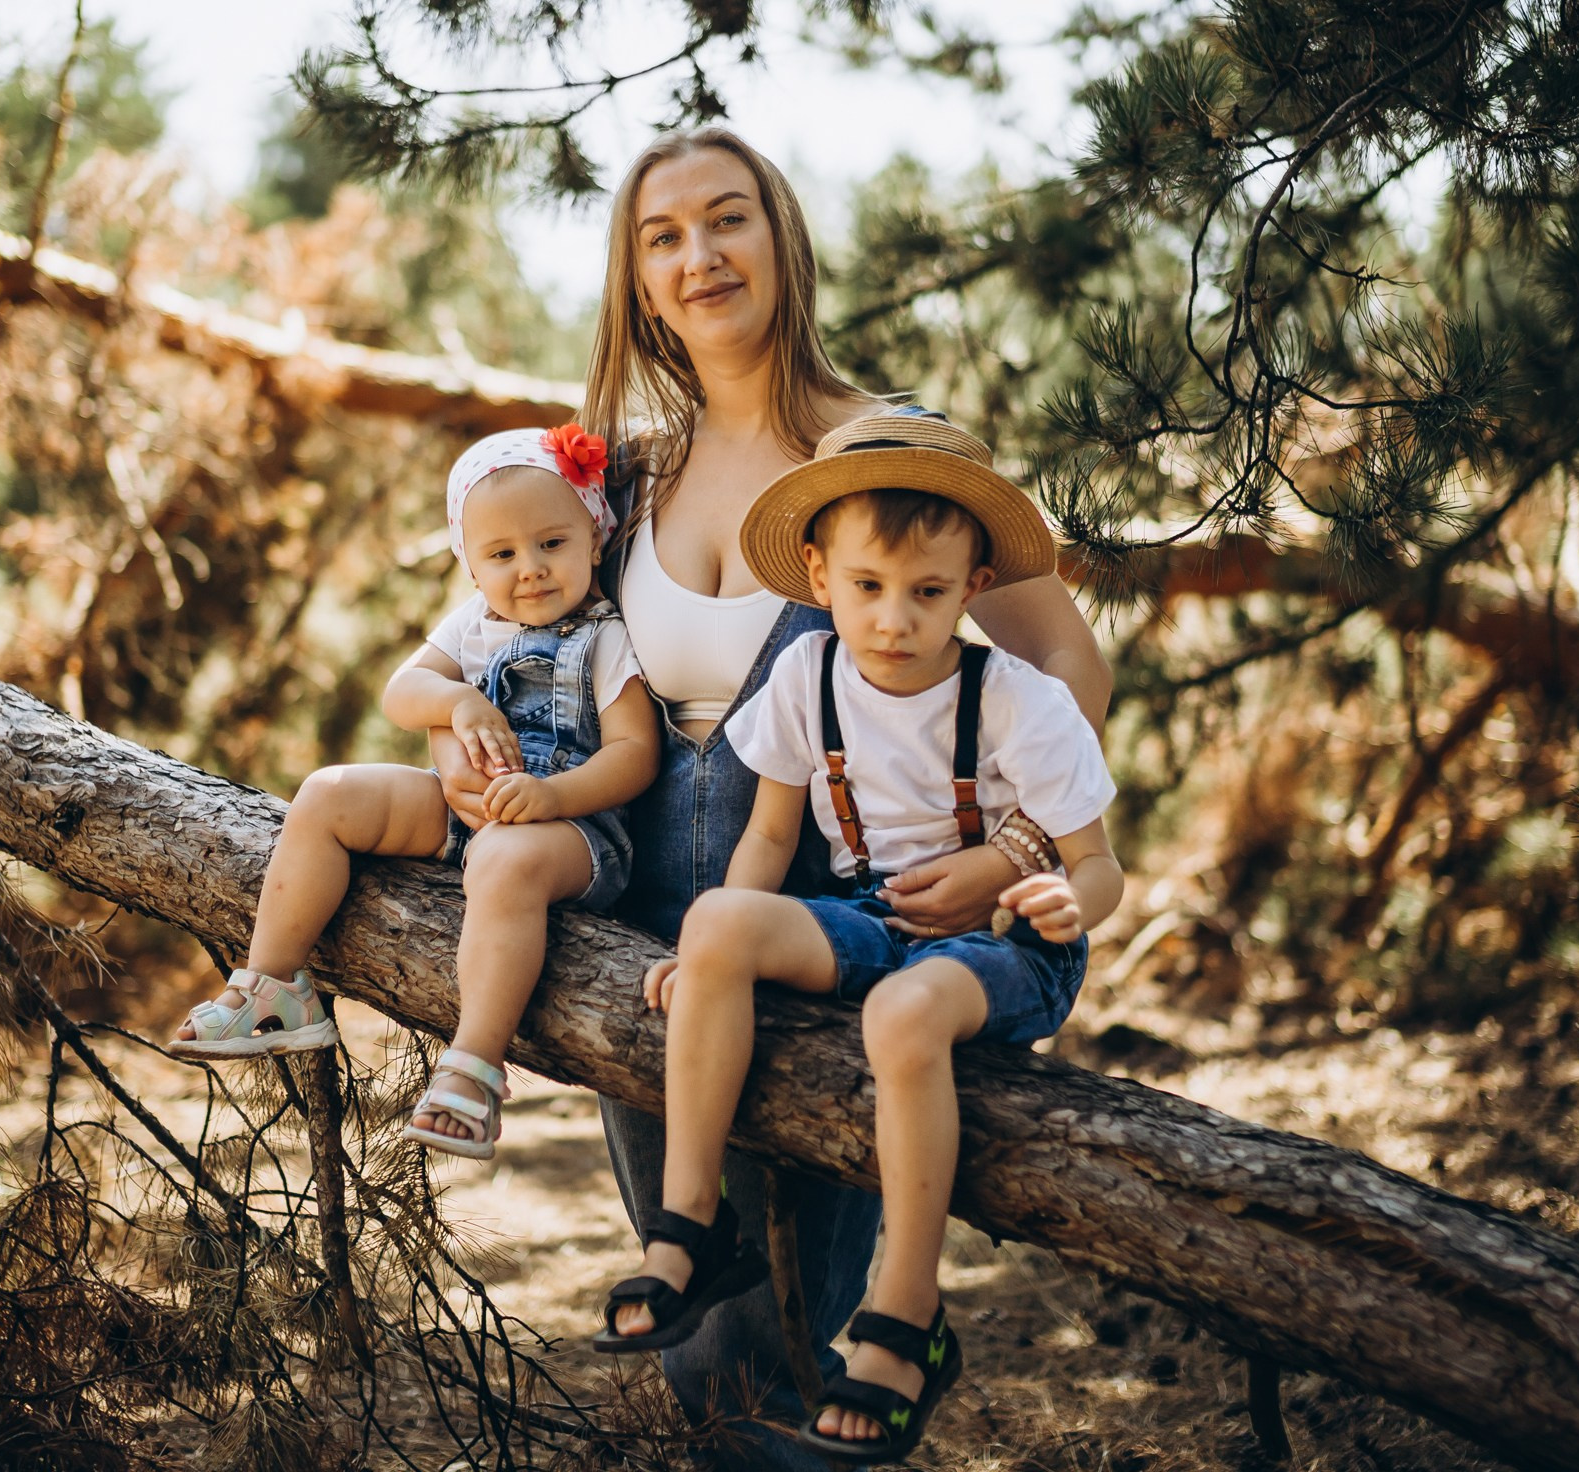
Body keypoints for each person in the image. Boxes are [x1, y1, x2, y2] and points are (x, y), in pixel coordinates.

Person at [428, 128, 1111, 1470]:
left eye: (727, 219)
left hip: (821, 901)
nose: (699, 257)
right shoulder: (620, 476)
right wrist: (467, 732)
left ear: (781, 240)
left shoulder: (880, 452)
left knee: (816, 1275)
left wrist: (1013, 846)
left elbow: (1064, 658)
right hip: (639, 912)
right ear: (636, 279)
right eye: (662, 235)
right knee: (699, 1299)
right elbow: (502, 638)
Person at [600, 415, 1123, 1462]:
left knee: (903, 1011)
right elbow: (770, 833)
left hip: (1005, 947)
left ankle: (904, 1319)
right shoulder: (806, 679)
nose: (894, 619)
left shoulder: (1017, 700)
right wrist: (710, 947)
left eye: (928, 592)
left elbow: (1098, 865)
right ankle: (693, 1228)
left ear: (973, 585)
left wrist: (1058, 900)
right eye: (869, 586)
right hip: (874, 918)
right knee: (718, 920)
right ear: (817, 574)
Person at [172, 424, 658, 1163]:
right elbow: (403, 692)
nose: (528, 570)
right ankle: (273, 986)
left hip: (571, 833)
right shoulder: (473, 625)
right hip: (463, 807)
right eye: (502, 555)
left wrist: (555, 799)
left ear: (595, 541)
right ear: (471, 568)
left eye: (551, 544)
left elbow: (635, 755)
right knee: (328, 794)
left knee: (503, 862)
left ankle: (475, 1067)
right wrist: (457, 705)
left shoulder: (606, 637)